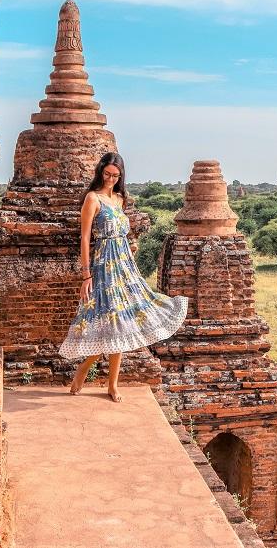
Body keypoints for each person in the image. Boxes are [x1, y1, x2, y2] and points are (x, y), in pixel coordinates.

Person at [59, 152, 188, 402]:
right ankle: (85, 367)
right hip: (103, 266)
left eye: (115, 176)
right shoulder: (92, 198)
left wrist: (130, 249)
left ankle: (112, 385)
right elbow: (84, 238)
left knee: (123, 322)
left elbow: (122, 234)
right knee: (109, 321)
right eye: (107, 174)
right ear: (100, 172)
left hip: (124, 265)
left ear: (121, 176)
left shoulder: (120, 198)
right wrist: (86, 275)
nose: (110, 179)